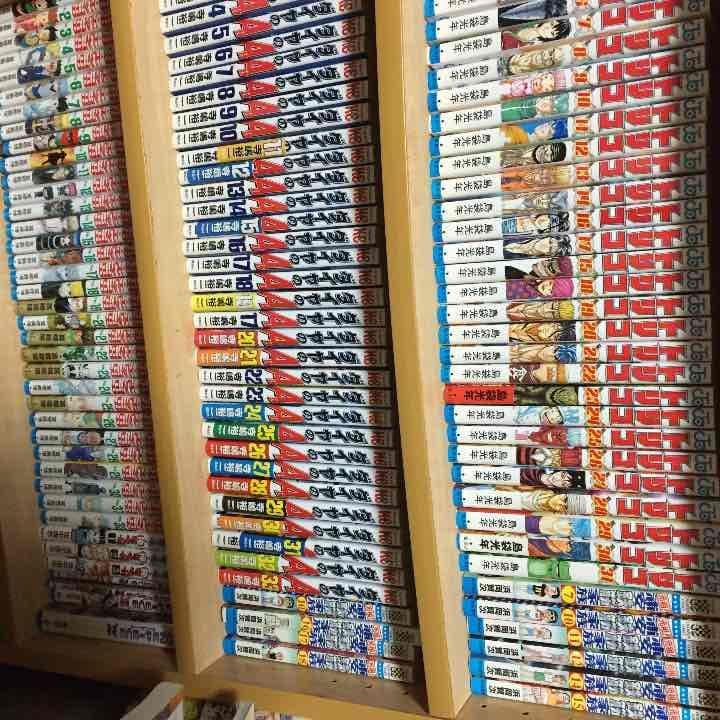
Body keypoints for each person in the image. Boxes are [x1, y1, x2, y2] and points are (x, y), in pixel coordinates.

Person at [502, 18, 572, 50]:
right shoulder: (527, 19)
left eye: (552, 33)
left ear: (552, 38)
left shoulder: (531, 46)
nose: (547, 29)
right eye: (551, 24)